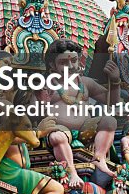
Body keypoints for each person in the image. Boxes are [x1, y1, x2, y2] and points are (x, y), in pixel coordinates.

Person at [38, 39, 120, 185]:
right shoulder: (46, 84)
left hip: (86, 130)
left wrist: (115, 81)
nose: (70, 66)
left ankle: (99, 158)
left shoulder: (85, 83)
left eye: (74, 61)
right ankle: (71, 172)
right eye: (63, 62)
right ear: (52, 64)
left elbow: (112, 102)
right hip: (60, 129)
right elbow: (33, 110)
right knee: (57, 137)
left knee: (109, 121)